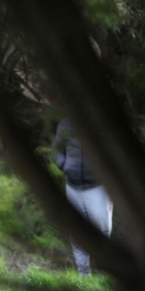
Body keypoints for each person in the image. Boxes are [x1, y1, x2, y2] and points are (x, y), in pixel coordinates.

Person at [51, 118, 113, 276]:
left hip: (98, 188)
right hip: (73, 186)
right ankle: (83, 273)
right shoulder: (66, 123)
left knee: (102, 230)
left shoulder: (104, 125)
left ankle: (102, 272)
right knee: (77, 229)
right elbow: (56, 149)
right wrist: (64, 166)